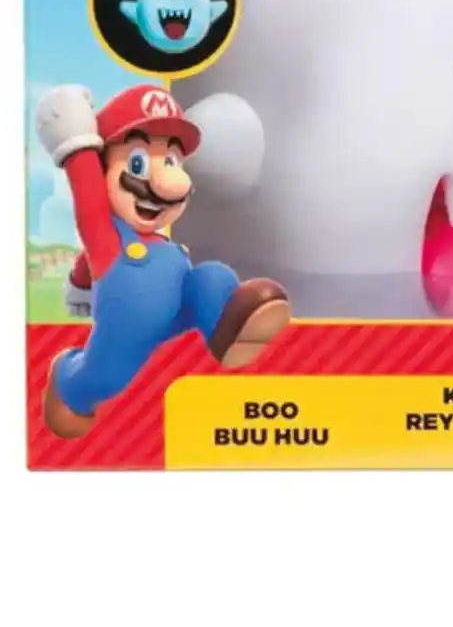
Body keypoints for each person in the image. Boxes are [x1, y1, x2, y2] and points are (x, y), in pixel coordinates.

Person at [35, 83, 291, 438]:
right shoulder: (105, 236)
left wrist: (80, 286)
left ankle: (228, 329)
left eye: (171, 160)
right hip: (126, 330)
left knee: (212, 277)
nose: (172, 182)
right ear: (103, 167)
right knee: (106, 379)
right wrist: (77, 147)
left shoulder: (159, 240)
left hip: (175, 310)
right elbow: (88, 199)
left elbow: (84, 263)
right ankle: (69, 382)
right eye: (137, 162)